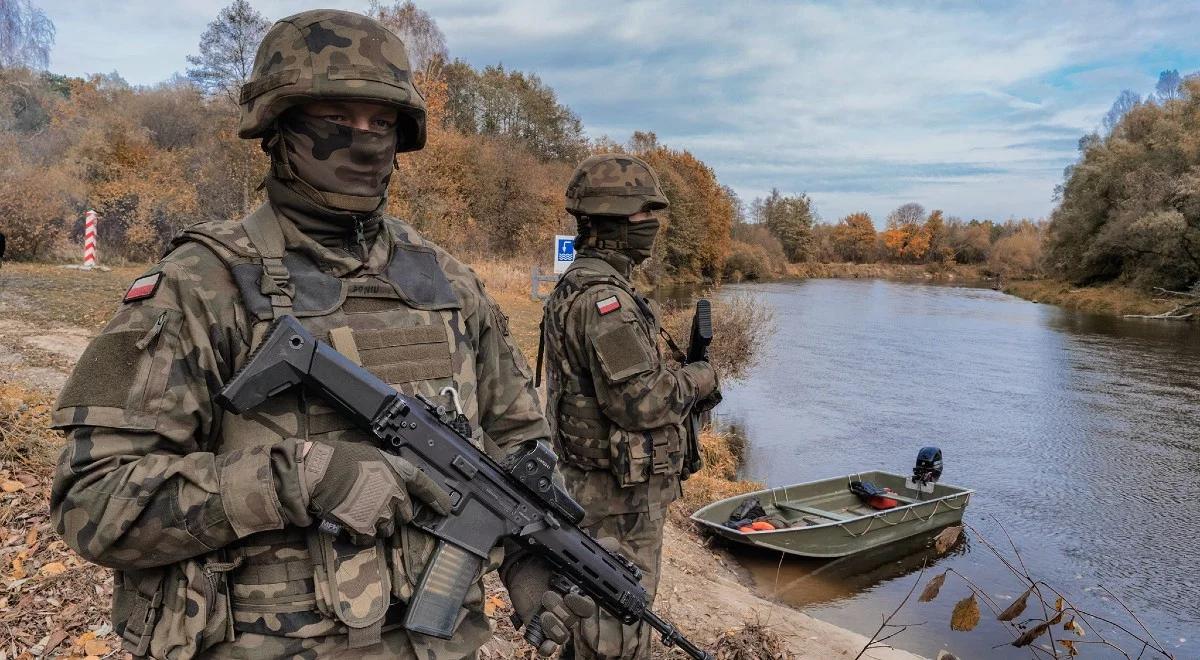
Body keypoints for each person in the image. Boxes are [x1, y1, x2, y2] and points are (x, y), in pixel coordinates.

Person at [50, 10, 590, 659]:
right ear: (277, 127)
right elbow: (92, 501)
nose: (363, 142)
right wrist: (298, 479)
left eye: (382, 123)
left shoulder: (450, 284)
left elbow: (513, 450)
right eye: (336, 118)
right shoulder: (200, 287)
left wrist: (527, 559)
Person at [539, 154, 720, 659]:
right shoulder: (605, 304)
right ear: (614, 223)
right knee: (615, 626)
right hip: (615, 501)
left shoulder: (579, 287)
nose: (653, 228)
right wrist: (700, 377)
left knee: (593, 615)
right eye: (644, 218)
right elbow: (640, 403)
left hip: (602, 492)